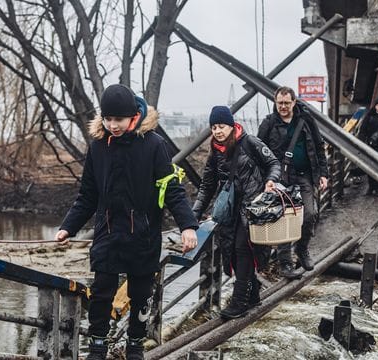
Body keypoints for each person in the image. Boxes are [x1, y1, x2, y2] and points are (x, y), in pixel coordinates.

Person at [55, 84, 199, 360]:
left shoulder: (154, 145)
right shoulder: (98, 147)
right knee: (101, 292)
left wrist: (188, 226)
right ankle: (97, 347)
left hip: (143, 234)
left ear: (133, 116)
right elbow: (87, 195)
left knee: (141, 294)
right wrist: (67, 227)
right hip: (108, 232)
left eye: (118, 120)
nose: (112, 125)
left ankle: (135, 346)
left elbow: (173, 190)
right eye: (107, 119)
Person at [192, 105, 281, 319]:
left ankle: (239, 301)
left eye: (221, 126)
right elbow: (207, 185)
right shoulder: (215, 152)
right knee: (231, 250)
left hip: (252, 207)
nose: (218, 131)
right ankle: (253, 295)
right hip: (231, 211)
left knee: (244, 248)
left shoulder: (250, 143)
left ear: (231, 126)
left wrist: (271, 180)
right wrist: (193, 214)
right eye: (214, 127)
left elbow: (273, 163)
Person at [257, 86, 329, 279]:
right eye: (279, 103)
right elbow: (258, 152)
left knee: (310, 214)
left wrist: (323, 174)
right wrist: (266, 179)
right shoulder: (269, 123)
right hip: (280, 177)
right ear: (275, 102)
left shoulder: (305, 120)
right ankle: (286, 264)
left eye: (286, 103)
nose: (283, 106)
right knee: (284, 219)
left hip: (305, 174)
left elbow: (319, 145)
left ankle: (302, 249)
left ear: (294, 102)